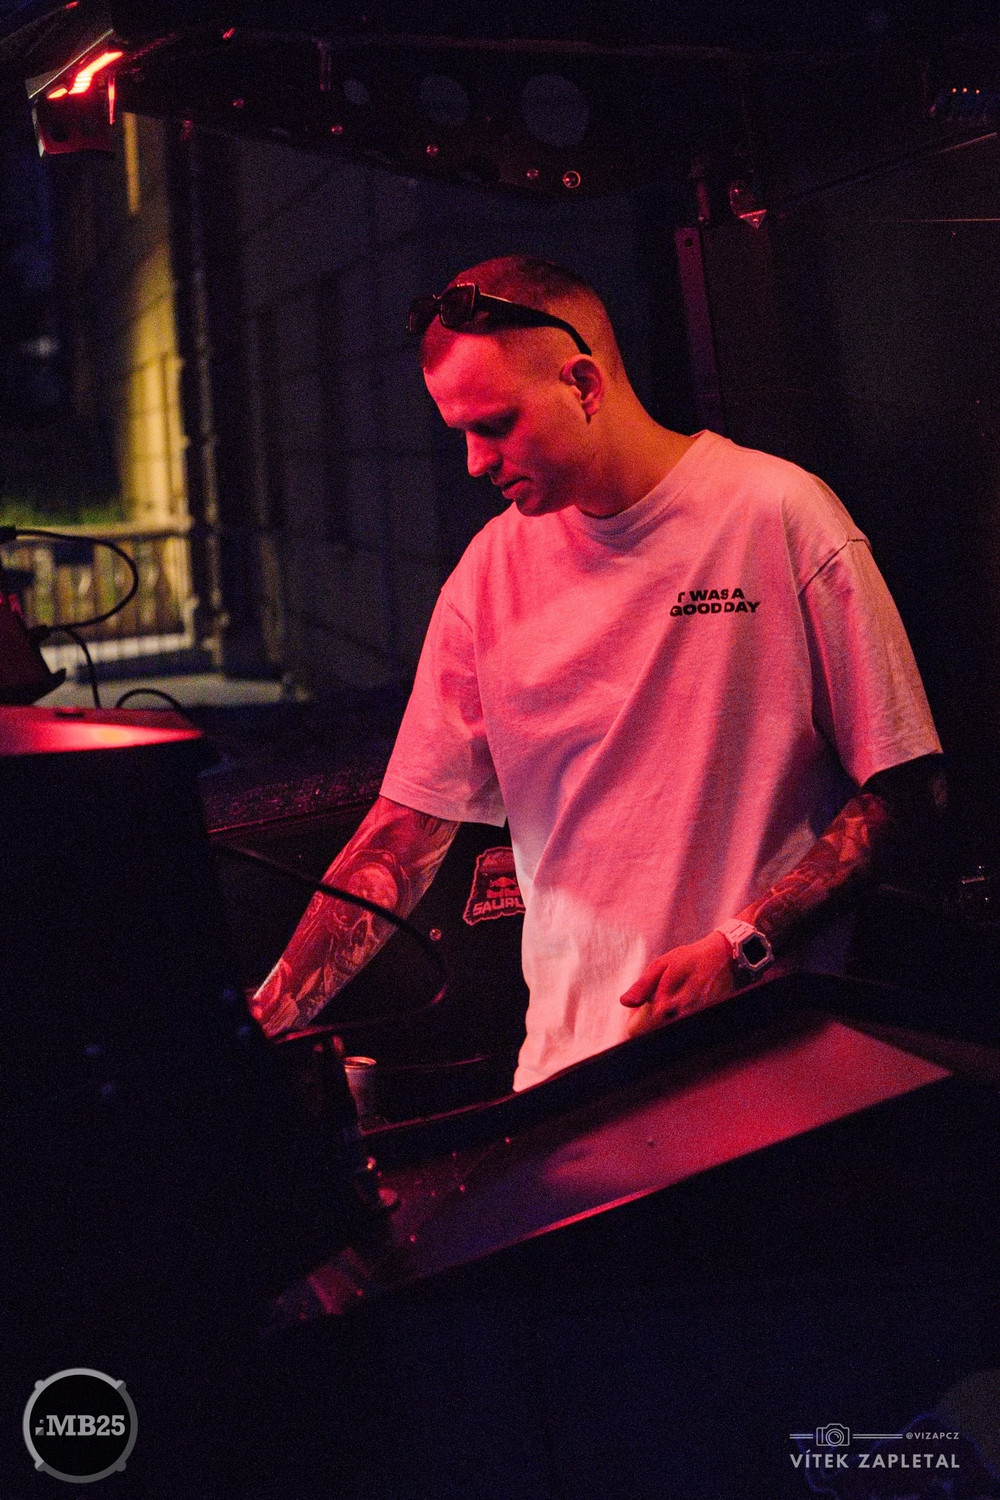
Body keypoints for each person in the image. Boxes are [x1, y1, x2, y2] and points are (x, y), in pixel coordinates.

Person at [250, 255, 943, 1091]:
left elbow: (906, 787)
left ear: (582, 384)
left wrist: (744, 945)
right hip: (568, 1074)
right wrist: (260, 1025)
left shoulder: (777, 512)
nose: (473, 462)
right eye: (459, 432)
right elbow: (402, 834)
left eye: (495, 424)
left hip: (769, 1056)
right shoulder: (486, 576)